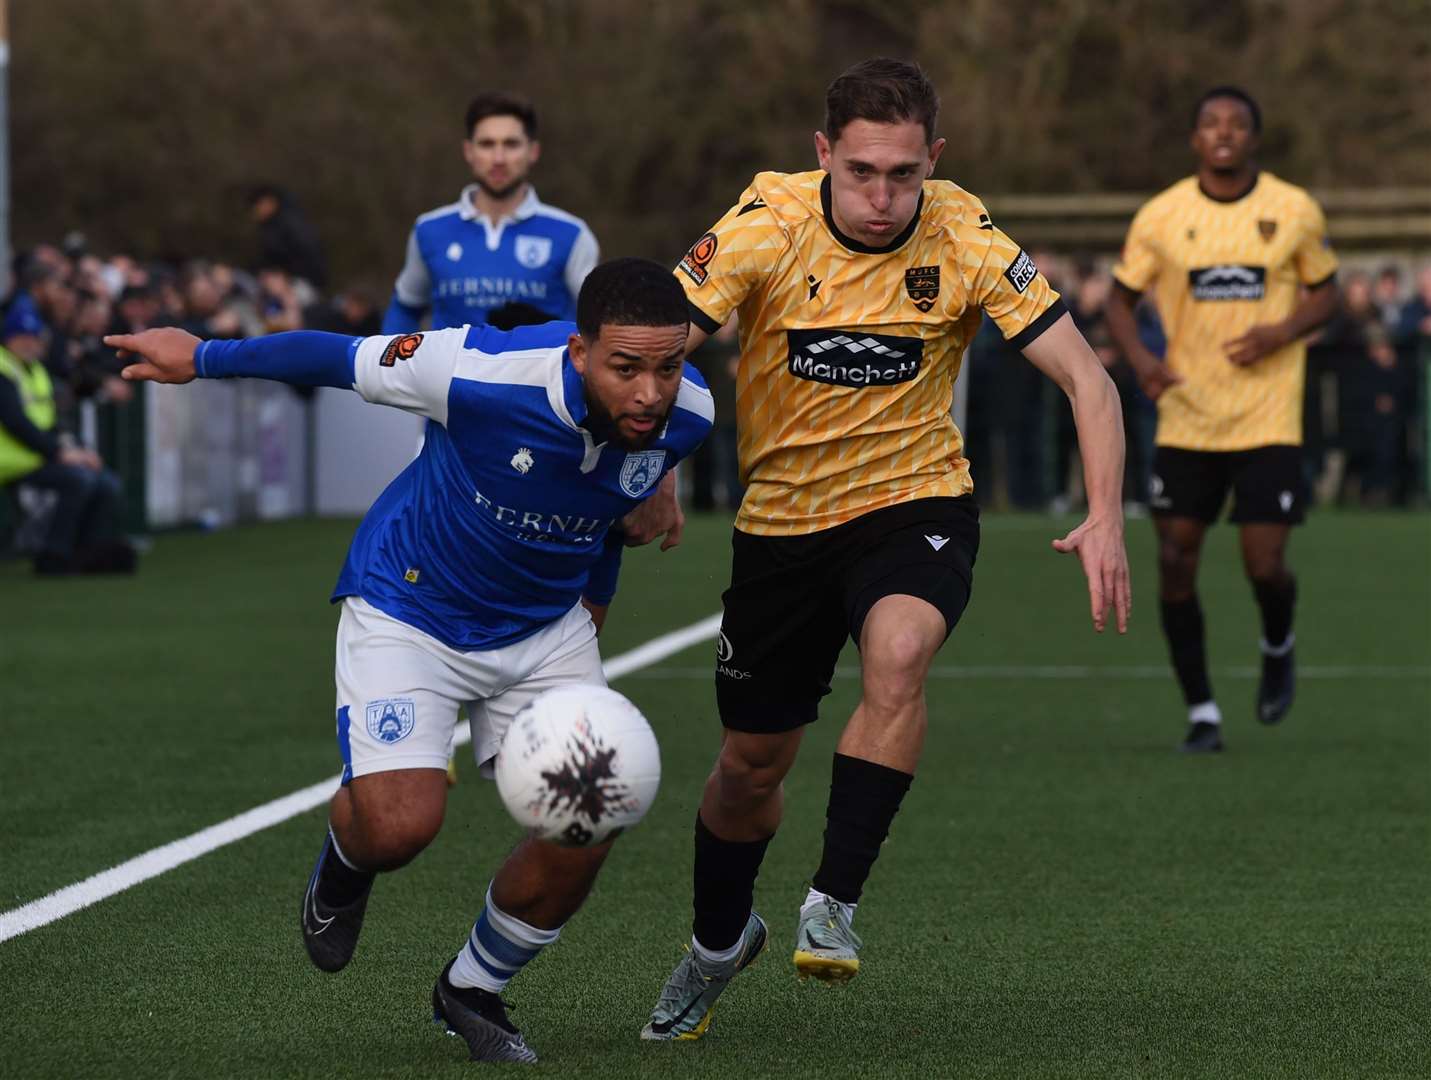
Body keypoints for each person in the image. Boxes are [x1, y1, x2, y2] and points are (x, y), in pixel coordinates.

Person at [105, 258, 713, 1064]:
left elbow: (611, 515)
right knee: (399, 827)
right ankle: (346, 862)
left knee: (591, 815)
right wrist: (203, 357)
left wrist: (599, 601)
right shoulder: (473, 372)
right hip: (410, 606)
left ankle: (470, 987)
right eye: (625, 368)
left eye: (667, 368)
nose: (649, 393)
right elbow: (337, 356)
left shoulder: (687, 412)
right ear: (577, 352)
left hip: (543, 631)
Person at [642, 58, 1130, 1042]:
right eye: (861, 171)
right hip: (780, 525)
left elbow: (1089, 380)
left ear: (933, 160)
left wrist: (1108, 513)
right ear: (823, 152)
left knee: (900, 655)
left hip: (915, 503)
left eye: (903, 174)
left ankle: (836, 900)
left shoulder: (963, 231)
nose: (881, 196)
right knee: (749, 768)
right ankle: (715, 942)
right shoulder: (767, 219)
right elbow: (655, 344)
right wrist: (651, 465)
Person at [1104, 86, 1339, 753]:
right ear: (1194, 139)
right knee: (1174, 560)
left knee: (1263, 565)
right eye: (1211, 123)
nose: (1224, 132)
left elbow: (1327, 294)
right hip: (1186, 417)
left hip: (1267, 417)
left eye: (1237, 123)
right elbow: (1119, 303)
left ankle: (1276, 639)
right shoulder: (1161, 215)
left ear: (1254, 139)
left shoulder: (1292, 209)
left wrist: (1280, 331)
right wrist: (1142, 363)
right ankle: (1201, 711)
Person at [383, 91, 599, 333]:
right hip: (451, 372)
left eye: (511, 144)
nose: (498, 158)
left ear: (533, 152)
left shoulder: (571, 234)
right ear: (469, 152)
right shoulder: (429, 230)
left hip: (537, 371)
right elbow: (405, 308)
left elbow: (596, 324)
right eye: (487, 144)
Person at [0, 301, 135, 574]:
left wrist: (79, 450)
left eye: (34, 337)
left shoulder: (35, 370)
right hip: (12, 461)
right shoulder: (4, 369)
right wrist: (60, 453)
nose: (31, 343)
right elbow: (16, 422)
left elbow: (53, 422)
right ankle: (54, 555)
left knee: (104, 482)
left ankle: (88, 552)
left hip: (35, 457)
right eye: (23, 336)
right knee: (78, 480)